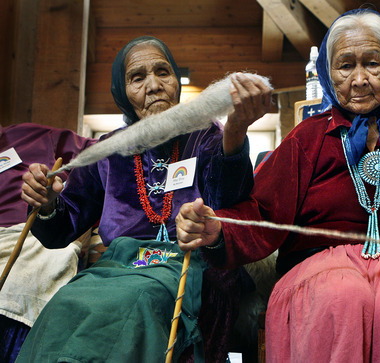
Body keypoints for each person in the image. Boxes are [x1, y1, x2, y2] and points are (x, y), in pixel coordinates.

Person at [176, 9, 380, 362]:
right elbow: (260, 211)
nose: (359, 79)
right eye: (346, 66)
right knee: (341, 295)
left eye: (372, 63)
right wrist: (219, 229)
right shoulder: (307, 137)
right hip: (323, 269)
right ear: (329, 75)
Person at [17, 35, 272, 362]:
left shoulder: (207, 138)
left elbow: (231, 197)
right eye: (137, 78)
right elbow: (60, 230)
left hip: (191, 269)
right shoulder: (106, 151)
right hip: (115, 270)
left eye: (162, 72)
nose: (153, 85)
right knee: (64, 305)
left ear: (176, 83)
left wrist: (235, 133)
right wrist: (46, 204)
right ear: (121, 94)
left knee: (139, 301)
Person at [0, 122, 94, 362]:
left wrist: (86, 219)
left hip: (36, 232)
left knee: (37, 269)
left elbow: (102, 162)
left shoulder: (30, 136)